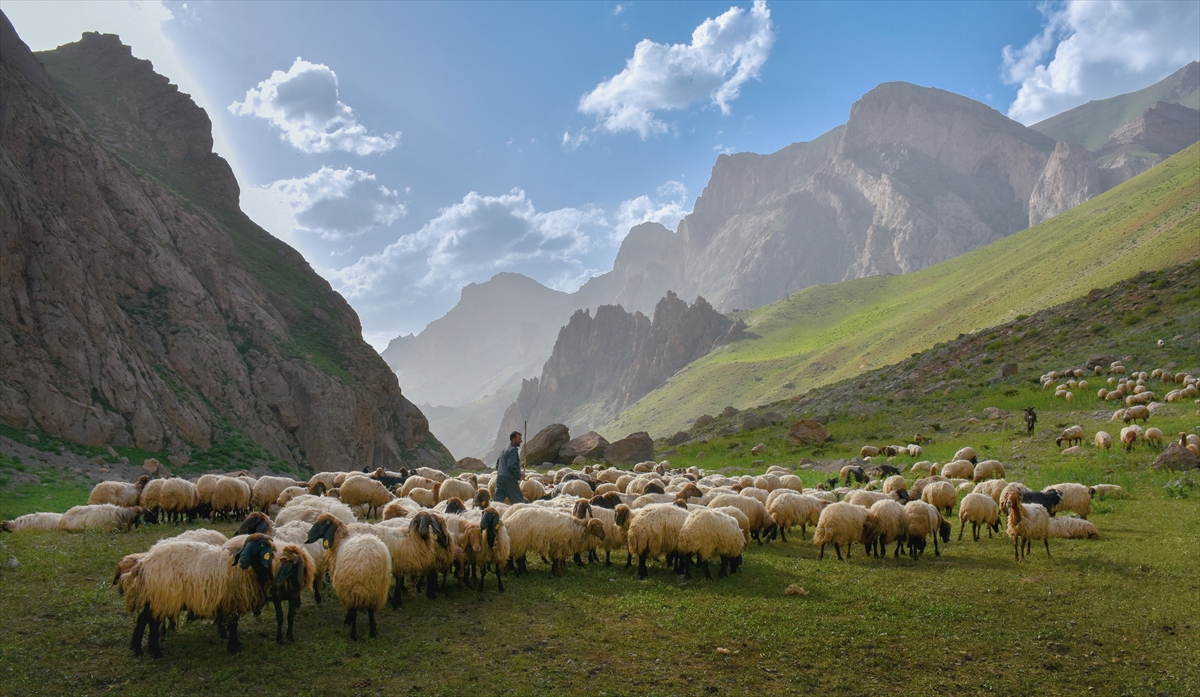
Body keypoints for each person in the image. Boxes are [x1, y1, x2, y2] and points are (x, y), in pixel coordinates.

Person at [494, 430, 526, 504]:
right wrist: (520, 475)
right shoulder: (513, 450)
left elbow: (497, 464)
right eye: (519, 439)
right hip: (509, 481)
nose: (521, 441)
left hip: (500, 479)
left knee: (496, 503)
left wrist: (501, 473)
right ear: (513, 439)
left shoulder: (505, 449)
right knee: (519, 502)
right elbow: (511, 465)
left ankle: (491, 514)